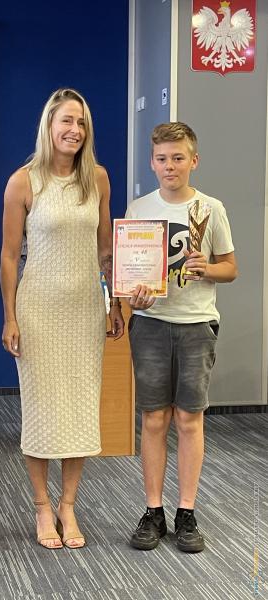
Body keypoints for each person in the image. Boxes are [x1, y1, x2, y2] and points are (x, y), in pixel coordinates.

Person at [0, 88, 124, 549]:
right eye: (67, 121)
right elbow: (9, 256)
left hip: (84, 311)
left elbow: (107, 250)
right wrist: (10, 317)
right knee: (40, 410)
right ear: (49, 126)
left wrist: (115, 303)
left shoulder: (98, 180)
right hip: (37, 311)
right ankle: (41, 506)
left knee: (79, 409)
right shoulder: (23, 182)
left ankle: (68, 505)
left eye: (81, 123)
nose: (75, 130)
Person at [126, 122, 237, 553]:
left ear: (194, 160)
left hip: (196, 324)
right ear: (152, 163)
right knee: (154, 419)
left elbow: (230, 267)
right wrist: (132, 296)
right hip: (151, 324)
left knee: (190, 419)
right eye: (162, 158)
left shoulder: (211, 209)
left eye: (178, 158)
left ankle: (186, 511)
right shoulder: (139, 210)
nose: (169, 165)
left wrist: (206, 268)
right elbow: (128, 275)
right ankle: (153, 510)